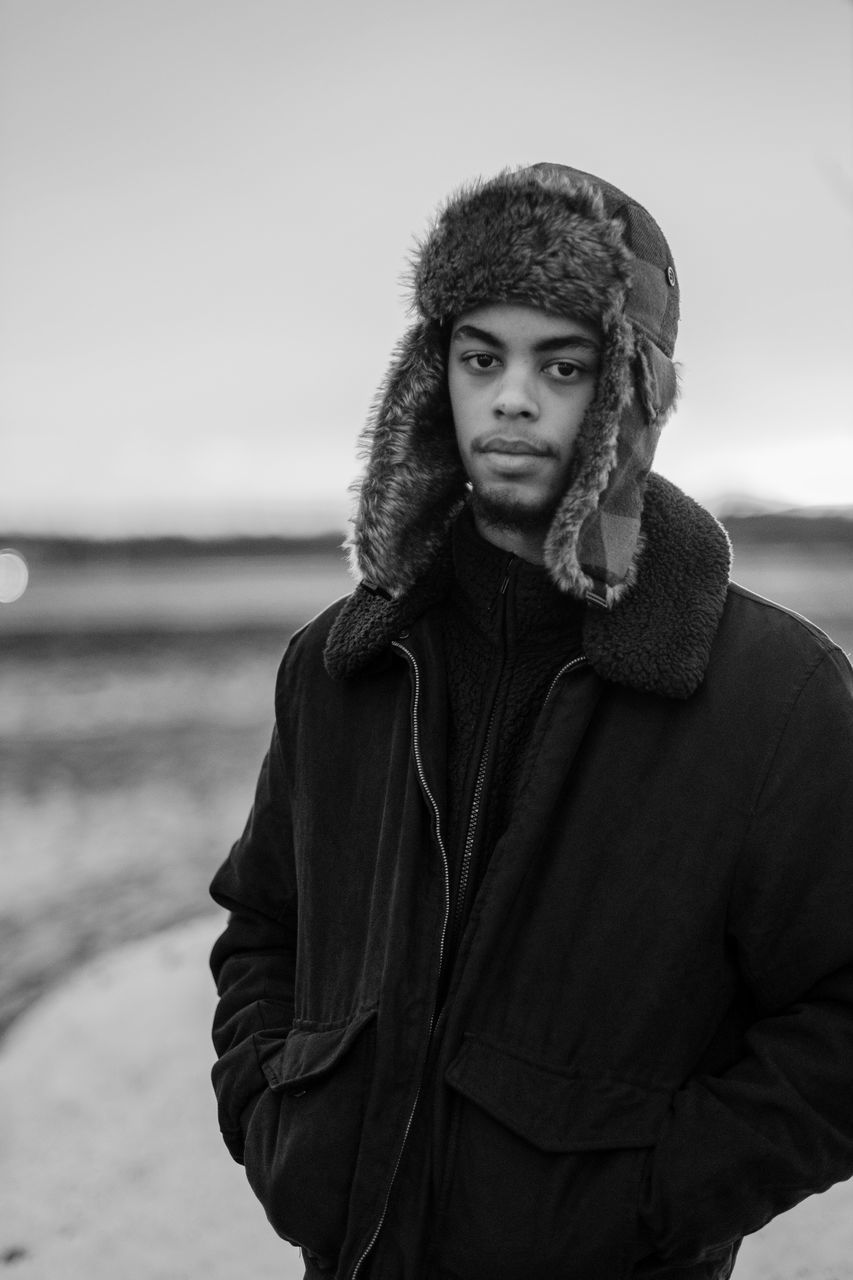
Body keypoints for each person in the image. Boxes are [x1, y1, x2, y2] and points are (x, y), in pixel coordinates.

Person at [208, 164, 853, 1280]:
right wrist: (277, 1122)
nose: (512, 398)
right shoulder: (339, 665)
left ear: (630, 393)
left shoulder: (771, 692)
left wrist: (660, 1198)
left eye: (562, 363)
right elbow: (264, 927)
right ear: (433, 378)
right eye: (480, 356)